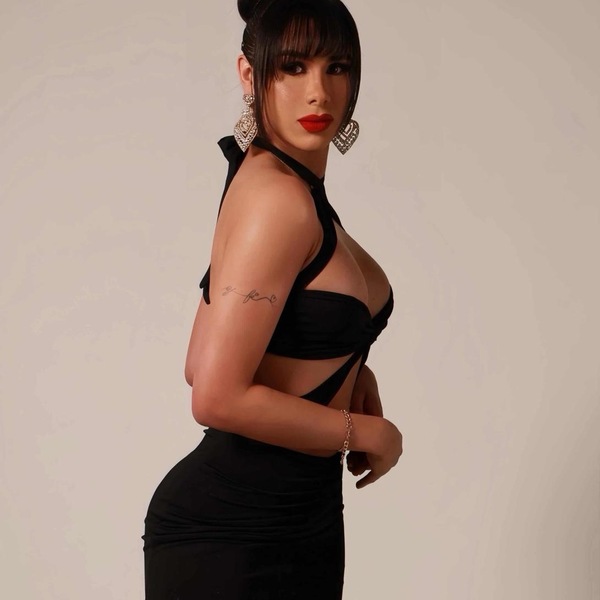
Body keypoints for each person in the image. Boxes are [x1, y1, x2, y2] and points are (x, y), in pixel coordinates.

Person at [142, 0, 403, 598]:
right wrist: (368, 433)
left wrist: (350, 368)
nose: (319, 92)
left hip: (299, 521)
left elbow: (200, 360)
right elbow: (214, 394)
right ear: (248, 73)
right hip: (234, 535)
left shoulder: (278, 182)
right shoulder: (278, 200)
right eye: (292, 67)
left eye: (337, 67)